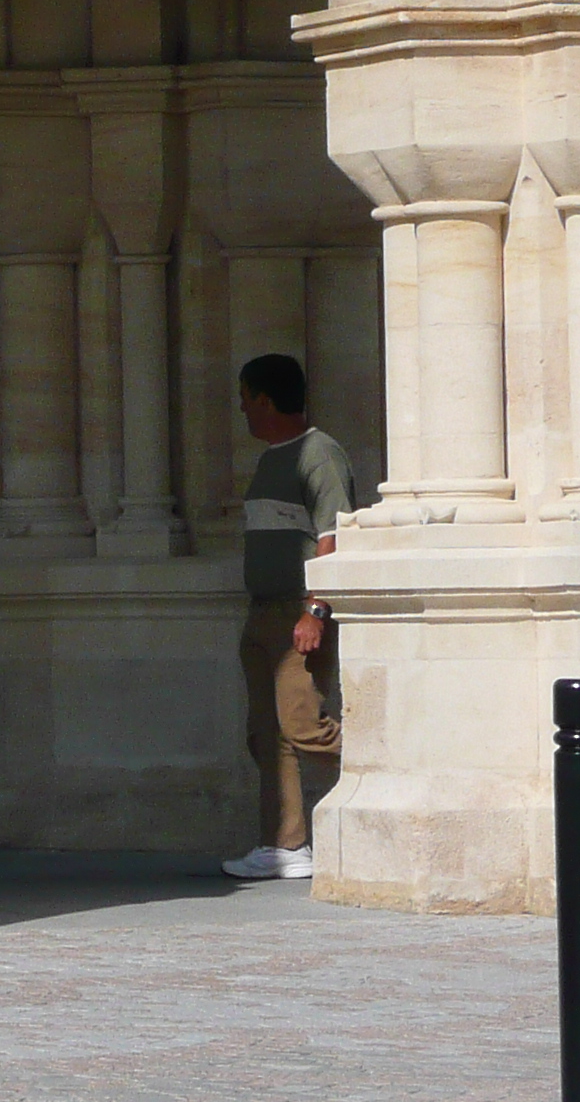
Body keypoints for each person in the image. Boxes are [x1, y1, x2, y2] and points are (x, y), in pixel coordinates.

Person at [223, 351, 353, 881]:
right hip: (263, 614)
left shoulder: (319, 454)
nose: (242, 411)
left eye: (246, 400)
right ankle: (285, 845)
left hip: (297, 615)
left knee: (305, 728)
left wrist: (314, 611)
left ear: (266, 399)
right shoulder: (270, 459)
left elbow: (334, 534)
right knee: (266, 734)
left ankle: (408, 764)